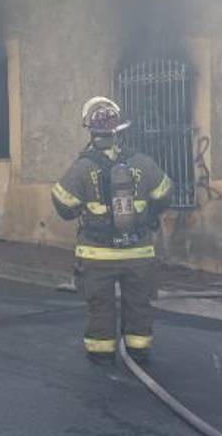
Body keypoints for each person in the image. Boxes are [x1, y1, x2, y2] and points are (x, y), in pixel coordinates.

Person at [51, 96, 173, 360]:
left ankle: (101, 354)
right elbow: (165, 194)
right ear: (119, 130)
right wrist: (146, 215)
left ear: (91, 131)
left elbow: (63, 205)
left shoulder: (82, 167)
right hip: (139, 252)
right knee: (139, 305)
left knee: (100, 307)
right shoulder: (142, 162)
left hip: (96, 255)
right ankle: (138, 350)